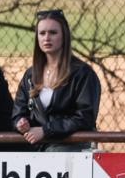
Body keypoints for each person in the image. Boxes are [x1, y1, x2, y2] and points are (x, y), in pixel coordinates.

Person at [12, 9, 101, 151]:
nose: (47, 38)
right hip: (37, 147)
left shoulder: (82, 73)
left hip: (72, 146)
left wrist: (46, 131)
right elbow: (18, 112)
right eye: (42, 33)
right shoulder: (30, 75)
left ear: (64, 36)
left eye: (53, 33)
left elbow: (85, 117)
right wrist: (21, 123)